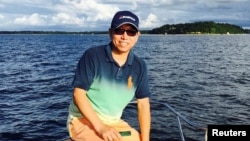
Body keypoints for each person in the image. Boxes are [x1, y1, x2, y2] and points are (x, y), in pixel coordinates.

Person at [67, 10, 151, 141]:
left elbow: (143, 104)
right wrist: (101, 128)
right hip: (82, 119)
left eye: (131, 32)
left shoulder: (139, 66)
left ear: (137, 35)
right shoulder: (93, 55)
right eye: (119, 31)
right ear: (110, 32)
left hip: (114, 123)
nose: (125, 36)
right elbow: (78, 94)